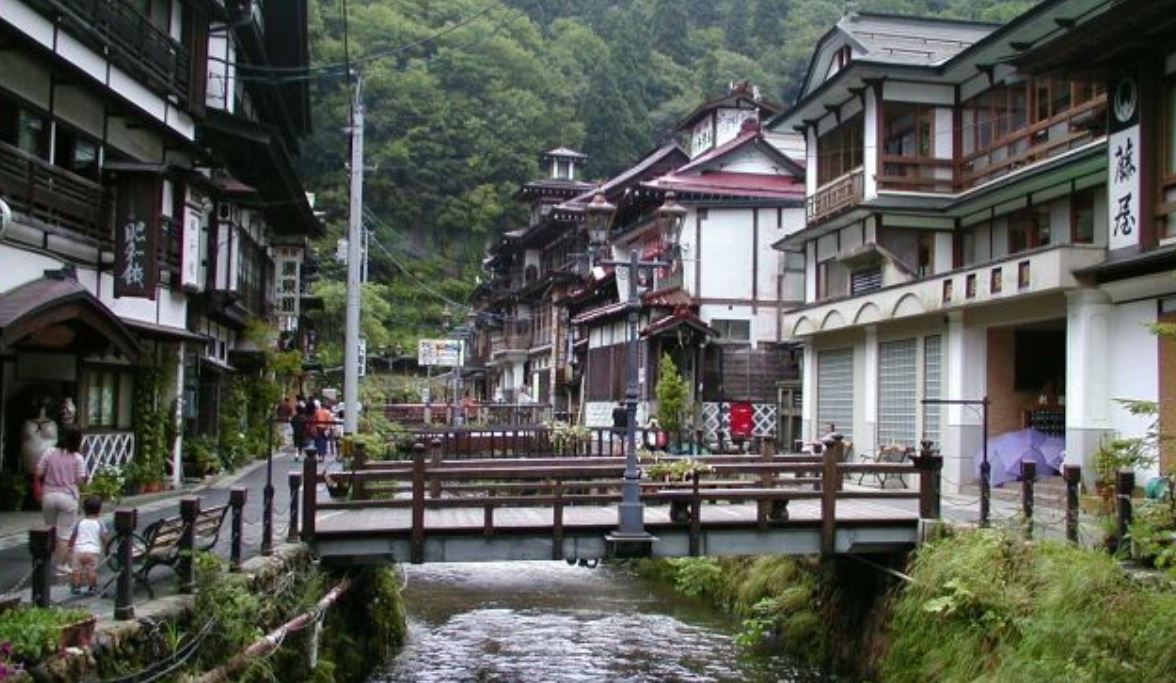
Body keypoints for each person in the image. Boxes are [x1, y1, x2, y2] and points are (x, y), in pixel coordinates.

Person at [36, 424, 87, 574]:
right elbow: (80, 481)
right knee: (64, 534)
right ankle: (61, 566)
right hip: (68, 497)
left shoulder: (50, 452)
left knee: (50, 529)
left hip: (49, 495)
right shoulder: (78, 458)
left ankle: (46, 563)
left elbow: (38, 471)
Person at [69, 495, 107, 595]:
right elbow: (103, 536)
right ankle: (92, 587)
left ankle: (76, 587)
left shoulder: (80, 522)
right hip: (93, 550)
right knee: (92, 569)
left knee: (76, 570)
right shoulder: (100, 522)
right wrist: (107, 546)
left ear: (84, 509)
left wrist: (70, 545)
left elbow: (74, 535)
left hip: (78, 549)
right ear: (99, 510)